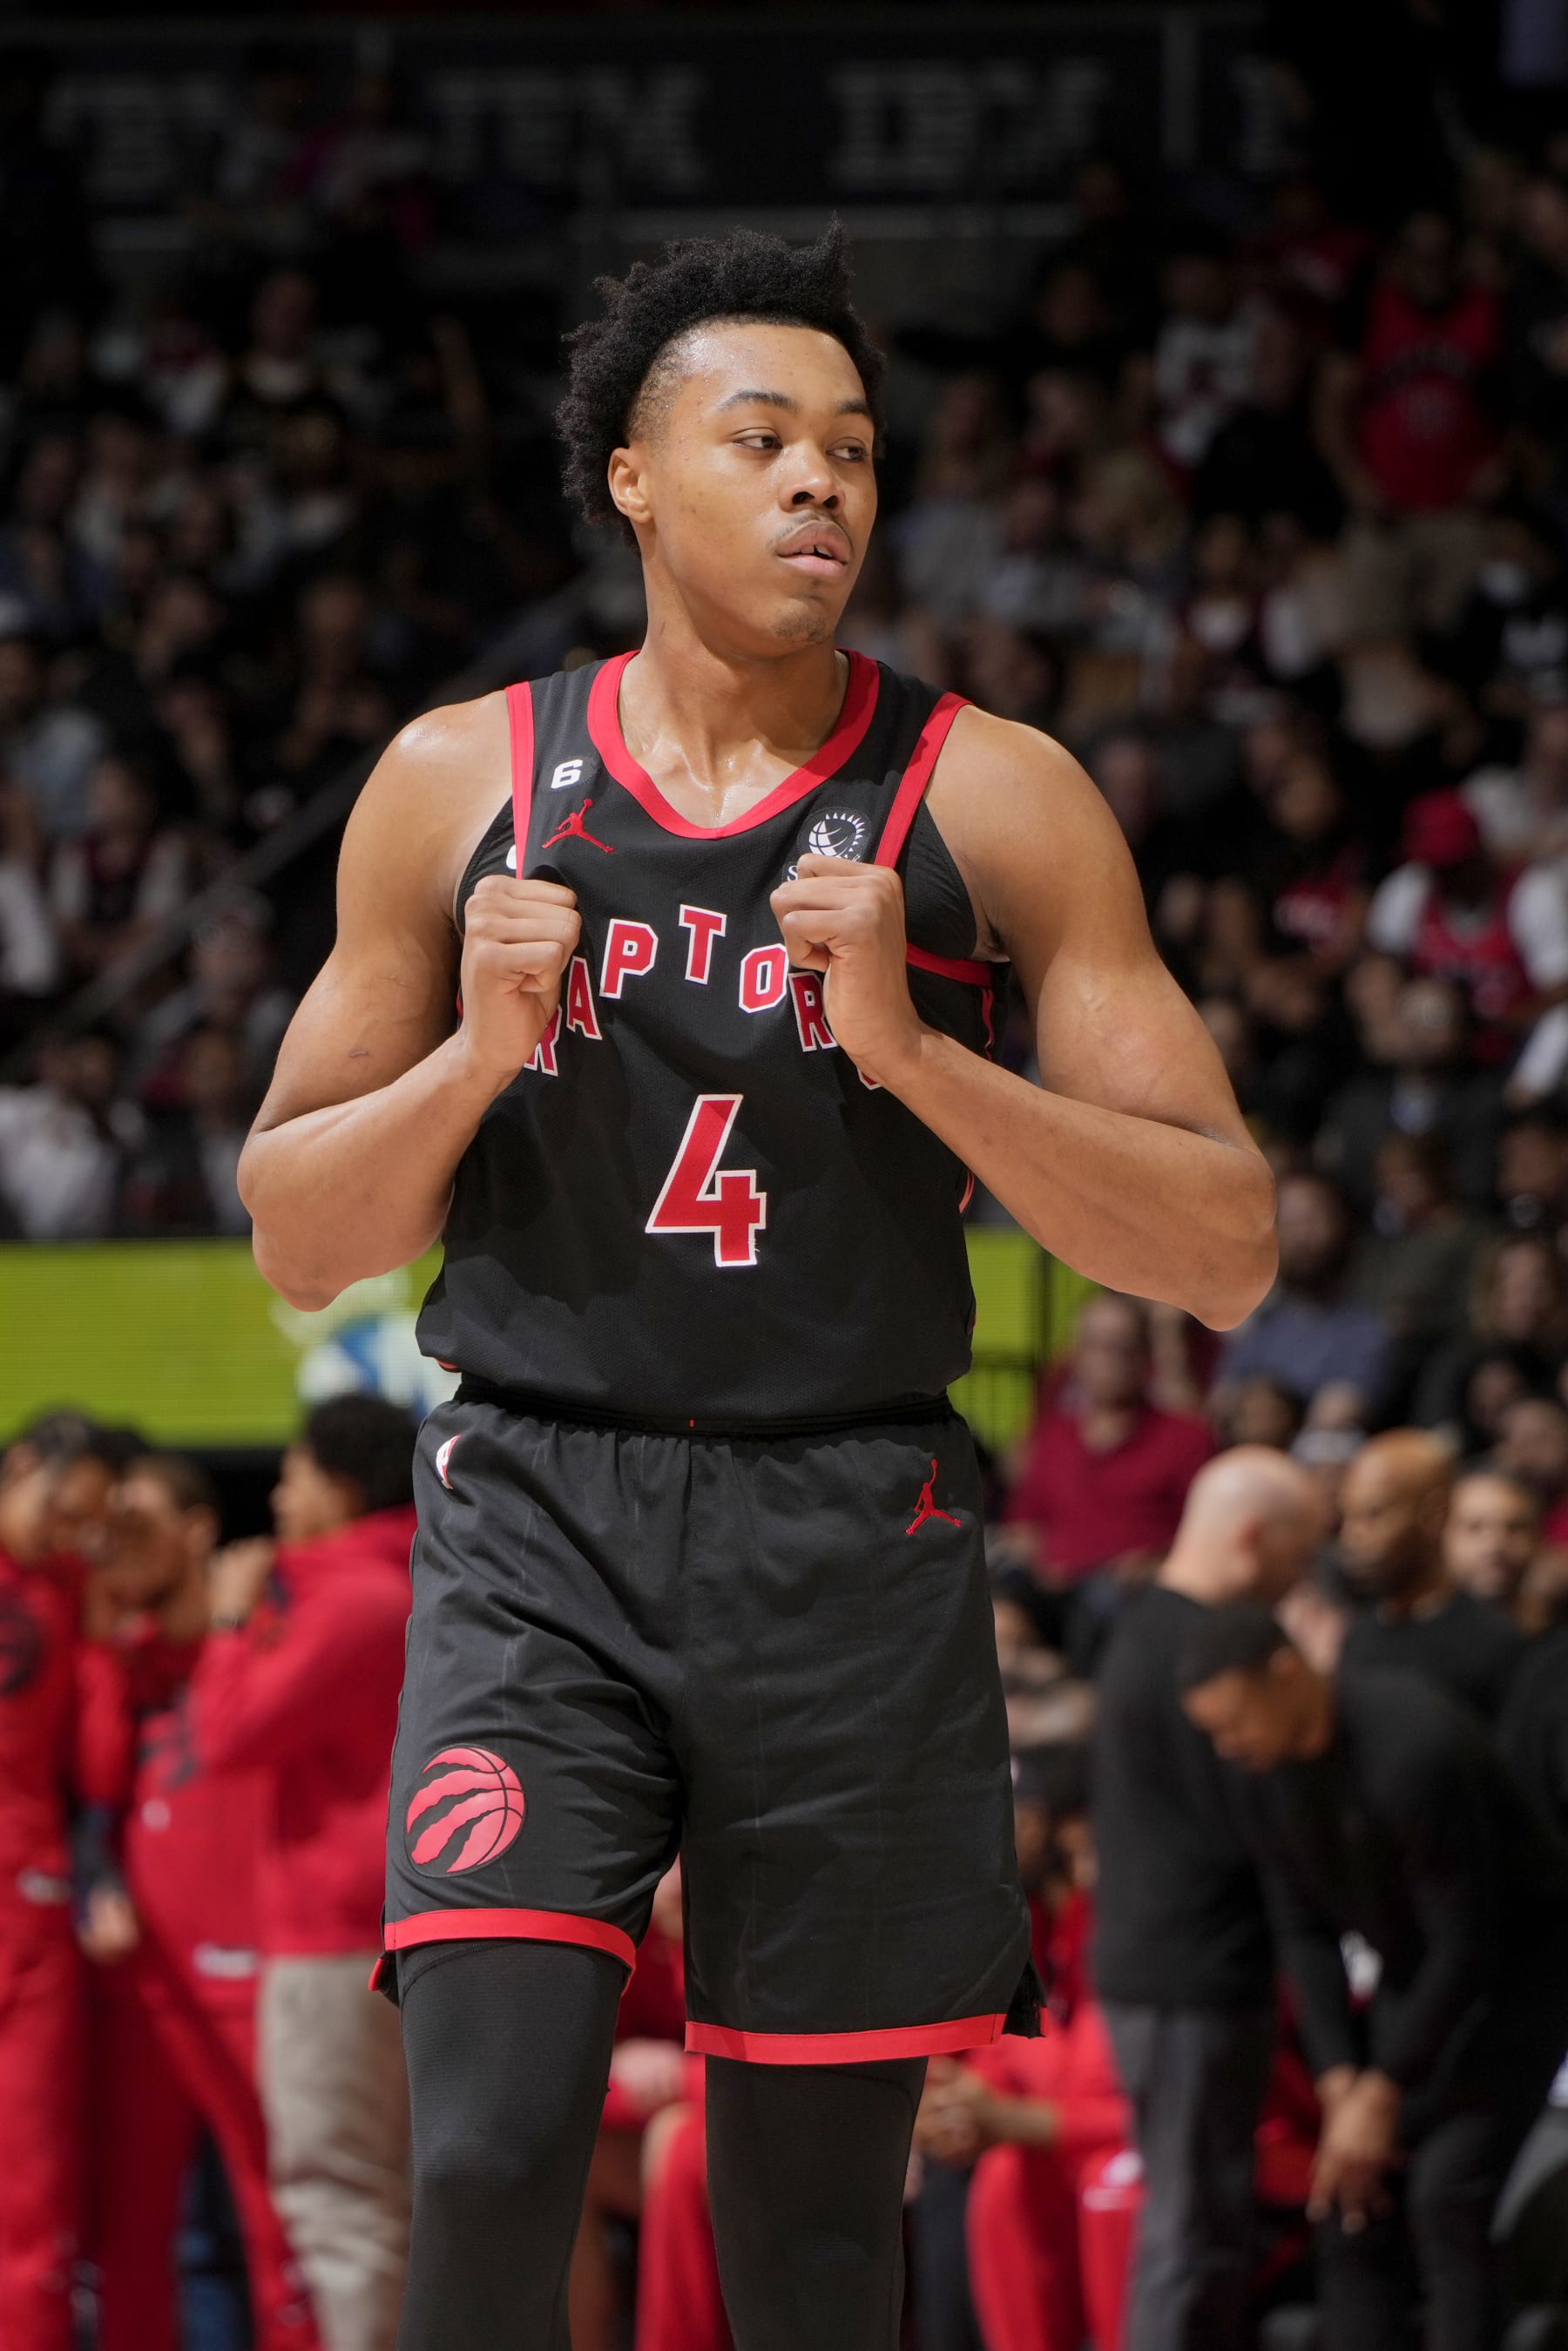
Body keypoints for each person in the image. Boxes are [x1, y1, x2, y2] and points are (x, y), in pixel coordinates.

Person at [237, 224, 1276, 2351]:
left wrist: (915, 1052)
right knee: (498, 2147)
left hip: (850, 1535)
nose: (824, 484)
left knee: (813, 2242)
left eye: (858, 451)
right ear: (632, 475)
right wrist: (468, 1058)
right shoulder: (460, 779)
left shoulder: (993, 793)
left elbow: (1223, 1244)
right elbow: (299, 1235)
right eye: (765, 439)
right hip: (541, 1506)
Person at [1179, 1604, 1568, 2351]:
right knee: (1350, 2198)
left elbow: (1469, 1945)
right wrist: (1339, 2084)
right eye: (1214, 1732)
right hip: (1420, 1974)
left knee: (1446, 2191)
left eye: (1235, 1722)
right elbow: (1303, 1932)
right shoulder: (1259, 1776)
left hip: (1520, 1977)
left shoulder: (1412, 1742)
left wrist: (1381, 2090)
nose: (1228, 1746)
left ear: (1287, 1674)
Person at [190, 1397, 416, 2351]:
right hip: (403, 1929)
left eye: (290, 1473)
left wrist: (233, 1618)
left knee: (343, 2202)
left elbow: (225, 1733)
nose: (278, 1497)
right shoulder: (424, 1575)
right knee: (412, 2202)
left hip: (338, 1939)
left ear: (337, 1481)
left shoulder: (357, 1596)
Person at [1092, 1446, 1326, 2351]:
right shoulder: (1201, 1644)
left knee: (1192, 2223)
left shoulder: (1143, 1624)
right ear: (1255, 1536)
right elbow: (1254, 1817)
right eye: (1299, 1549)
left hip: (1155, 1965)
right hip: (1193, 1973)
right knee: (1192, 2232)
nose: (1303, 1571)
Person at [85, 1451, 317, 2351]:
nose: (115, 1544)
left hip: (256, 1982)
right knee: (140, 2246)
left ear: (195, 1529)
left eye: (135, 1522)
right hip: (142, 1992)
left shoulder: (265, 1633)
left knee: (280, 2236)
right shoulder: (112, 1658)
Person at [0, 1415, 130, 2351]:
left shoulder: (65, 1587)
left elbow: (98, 1762)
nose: (67, 1535)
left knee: (34, 2192)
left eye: (86, 1524)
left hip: (30, 1907)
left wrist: (95, 1644)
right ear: (17, 1469)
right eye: (59, 1509)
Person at [1004, 1293, 1214, 1657]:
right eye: (1095, 1347)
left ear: (1144, 1357)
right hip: (1053, 1594)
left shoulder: (1186, 1437)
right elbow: (1024, 1524)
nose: (1107, 1361)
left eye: (1120, 1347)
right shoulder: (1052, 1435)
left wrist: (1153, 1563)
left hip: (1132, 1599)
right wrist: (1040, 1562)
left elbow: (1205, 1533)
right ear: (1077, 1357)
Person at [1337, 1429, 1527, 1723]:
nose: (1353, 1536)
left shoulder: (1495, 1645)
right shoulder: (1356, 1638)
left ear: (1434, 1516)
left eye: (1374, 1514)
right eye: (1348, 1516)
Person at [1219, 1170, 1392, 1421]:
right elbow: (1222, 1404)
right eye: (1288, 1223)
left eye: (1310, 1220)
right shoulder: (1266, 1323)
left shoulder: (1367, 1325)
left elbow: (1339, 1414)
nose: (1300, 1236)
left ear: (1341, 1223)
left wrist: (1269, 1408)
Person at [1442, 1467, 1541, 1620]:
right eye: (1475, 1527)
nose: (1495, 1545)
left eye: (1514, 1528)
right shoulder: (1410, 1629)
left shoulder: (1556, 1634)